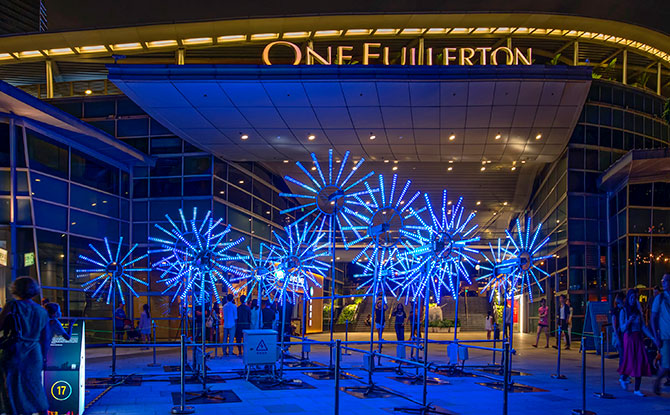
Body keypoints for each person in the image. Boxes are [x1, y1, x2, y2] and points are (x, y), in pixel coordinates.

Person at [0, 277, 49, 415]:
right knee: (34, 387)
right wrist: (44, 358)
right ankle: (42, 412)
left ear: (15, 289)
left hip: (15, 351)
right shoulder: (41, 311)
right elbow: (45, 338)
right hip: (34, 353)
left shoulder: (12, 306)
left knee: (12, 388)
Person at [618, 288, 652, 396]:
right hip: (629, 337)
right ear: (628, 299)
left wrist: (652, 337)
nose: (633, 300)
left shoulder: (638, 312)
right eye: (631, 298)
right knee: (630, 361)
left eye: (634, 298)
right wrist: (628, 322)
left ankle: (637, 388)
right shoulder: (624, 311)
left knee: (640, 361)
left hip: (638, 337)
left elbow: (643, 326)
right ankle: (624, 377)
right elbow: (622, 327)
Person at [652, 274, 670, 395]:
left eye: (666, 280)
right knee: (666, 364)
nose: (663, 282)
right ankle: (657, 382)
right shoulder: (660, 298)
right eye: (662, 280)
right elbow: (653, 319)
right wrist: (655, 336)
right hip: (665, 336)